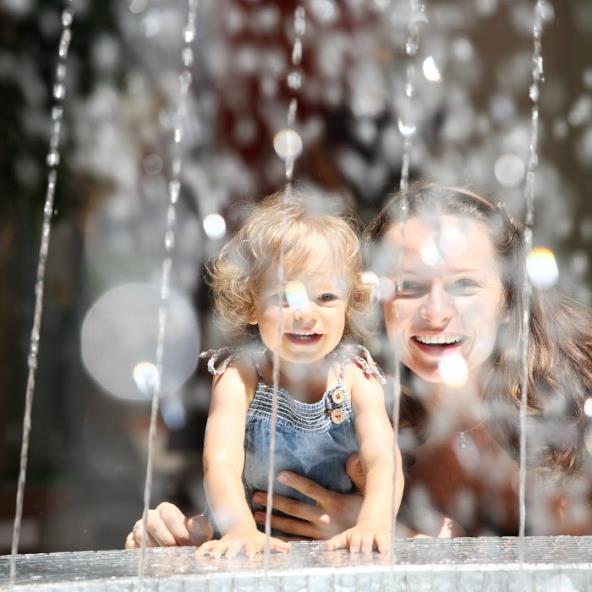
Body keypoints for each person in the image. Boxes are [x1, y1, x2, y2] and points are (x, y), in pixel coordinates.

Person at [125, 183, 592, 546]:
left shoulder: (574, 400)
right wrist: (180, 532)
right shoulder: (353, 404)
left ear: (510, 299)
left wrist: (402, 536)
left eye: (464, 286)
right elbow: (257, 510)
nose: (436, 313)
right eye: (409, 286)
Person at [152, 190, 400, 558]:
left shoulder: (354, 376)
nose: (305, 314)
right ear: (251, 305)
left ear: (349, 305)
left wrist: (374, 522)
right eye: (285, 298)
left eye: (327, 298)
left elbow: (383, 459)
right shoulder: (241, 375)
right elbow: (220, 462)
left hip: (331, 544)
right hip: (248, 535)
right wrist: (238, 529)